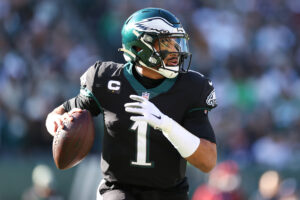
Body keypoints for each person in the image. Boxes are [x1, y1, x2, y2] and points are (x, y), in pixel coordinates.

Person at [45, 8, 217, 200]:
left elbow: (207, 161)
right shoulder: (105, 78)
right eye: (166, 43)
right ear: (138, 48)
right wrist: (57, 124)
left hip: (170, 193)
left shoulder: (192, 87)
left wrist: (166, 125)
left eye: (177, 42)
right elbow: (60, 113)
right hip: (118, 189)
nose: (176, 50)